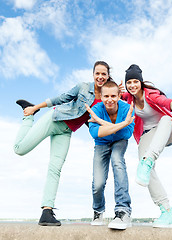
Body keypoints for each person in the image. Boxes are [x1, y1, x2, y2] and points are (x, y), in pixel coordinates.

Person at [14, 61, 113, 226]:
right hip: (54, 119)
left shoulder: (105, 99)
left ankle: (47, 211)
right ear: (93, 74)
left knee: (55, 168)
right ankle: (28, 116)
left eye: (104, 74)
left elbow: (101, 119)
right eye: (97, 73)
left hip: (65, 132)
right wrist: (35, 108)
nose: (100, 77)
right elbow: (61, 98)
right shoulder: (83, 87)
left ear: (108, 75)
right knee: (19, 149)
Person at [122, 64, 172, 228]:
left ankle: (149, 159)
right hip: (149, 135)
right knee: (144, 168)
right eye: (129, 82)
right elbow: (110, 94)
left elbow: (167, 102)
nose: (132, 85)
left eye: (135, 82)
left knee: (166, 119)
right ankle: (167, 211)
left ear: (141, 82)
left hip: (168, 130)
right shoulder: (127, 98)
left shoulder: (151, 95)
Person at [85, 81, 135, 230]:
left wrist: (101, 123)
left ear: (119, 96)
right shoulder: (95, 109)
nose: (110, 99)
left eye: (113, 95)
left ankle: (123, 211)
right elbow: (96, 133)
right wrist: (122, 124)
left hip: (120, 142)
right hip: (101, 143)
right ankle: (98, 211)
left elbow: (127, 133)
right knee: (98, 183)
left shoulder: (127, 109)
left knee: (117, 161)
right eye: (106, 96)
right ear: (101, 96)